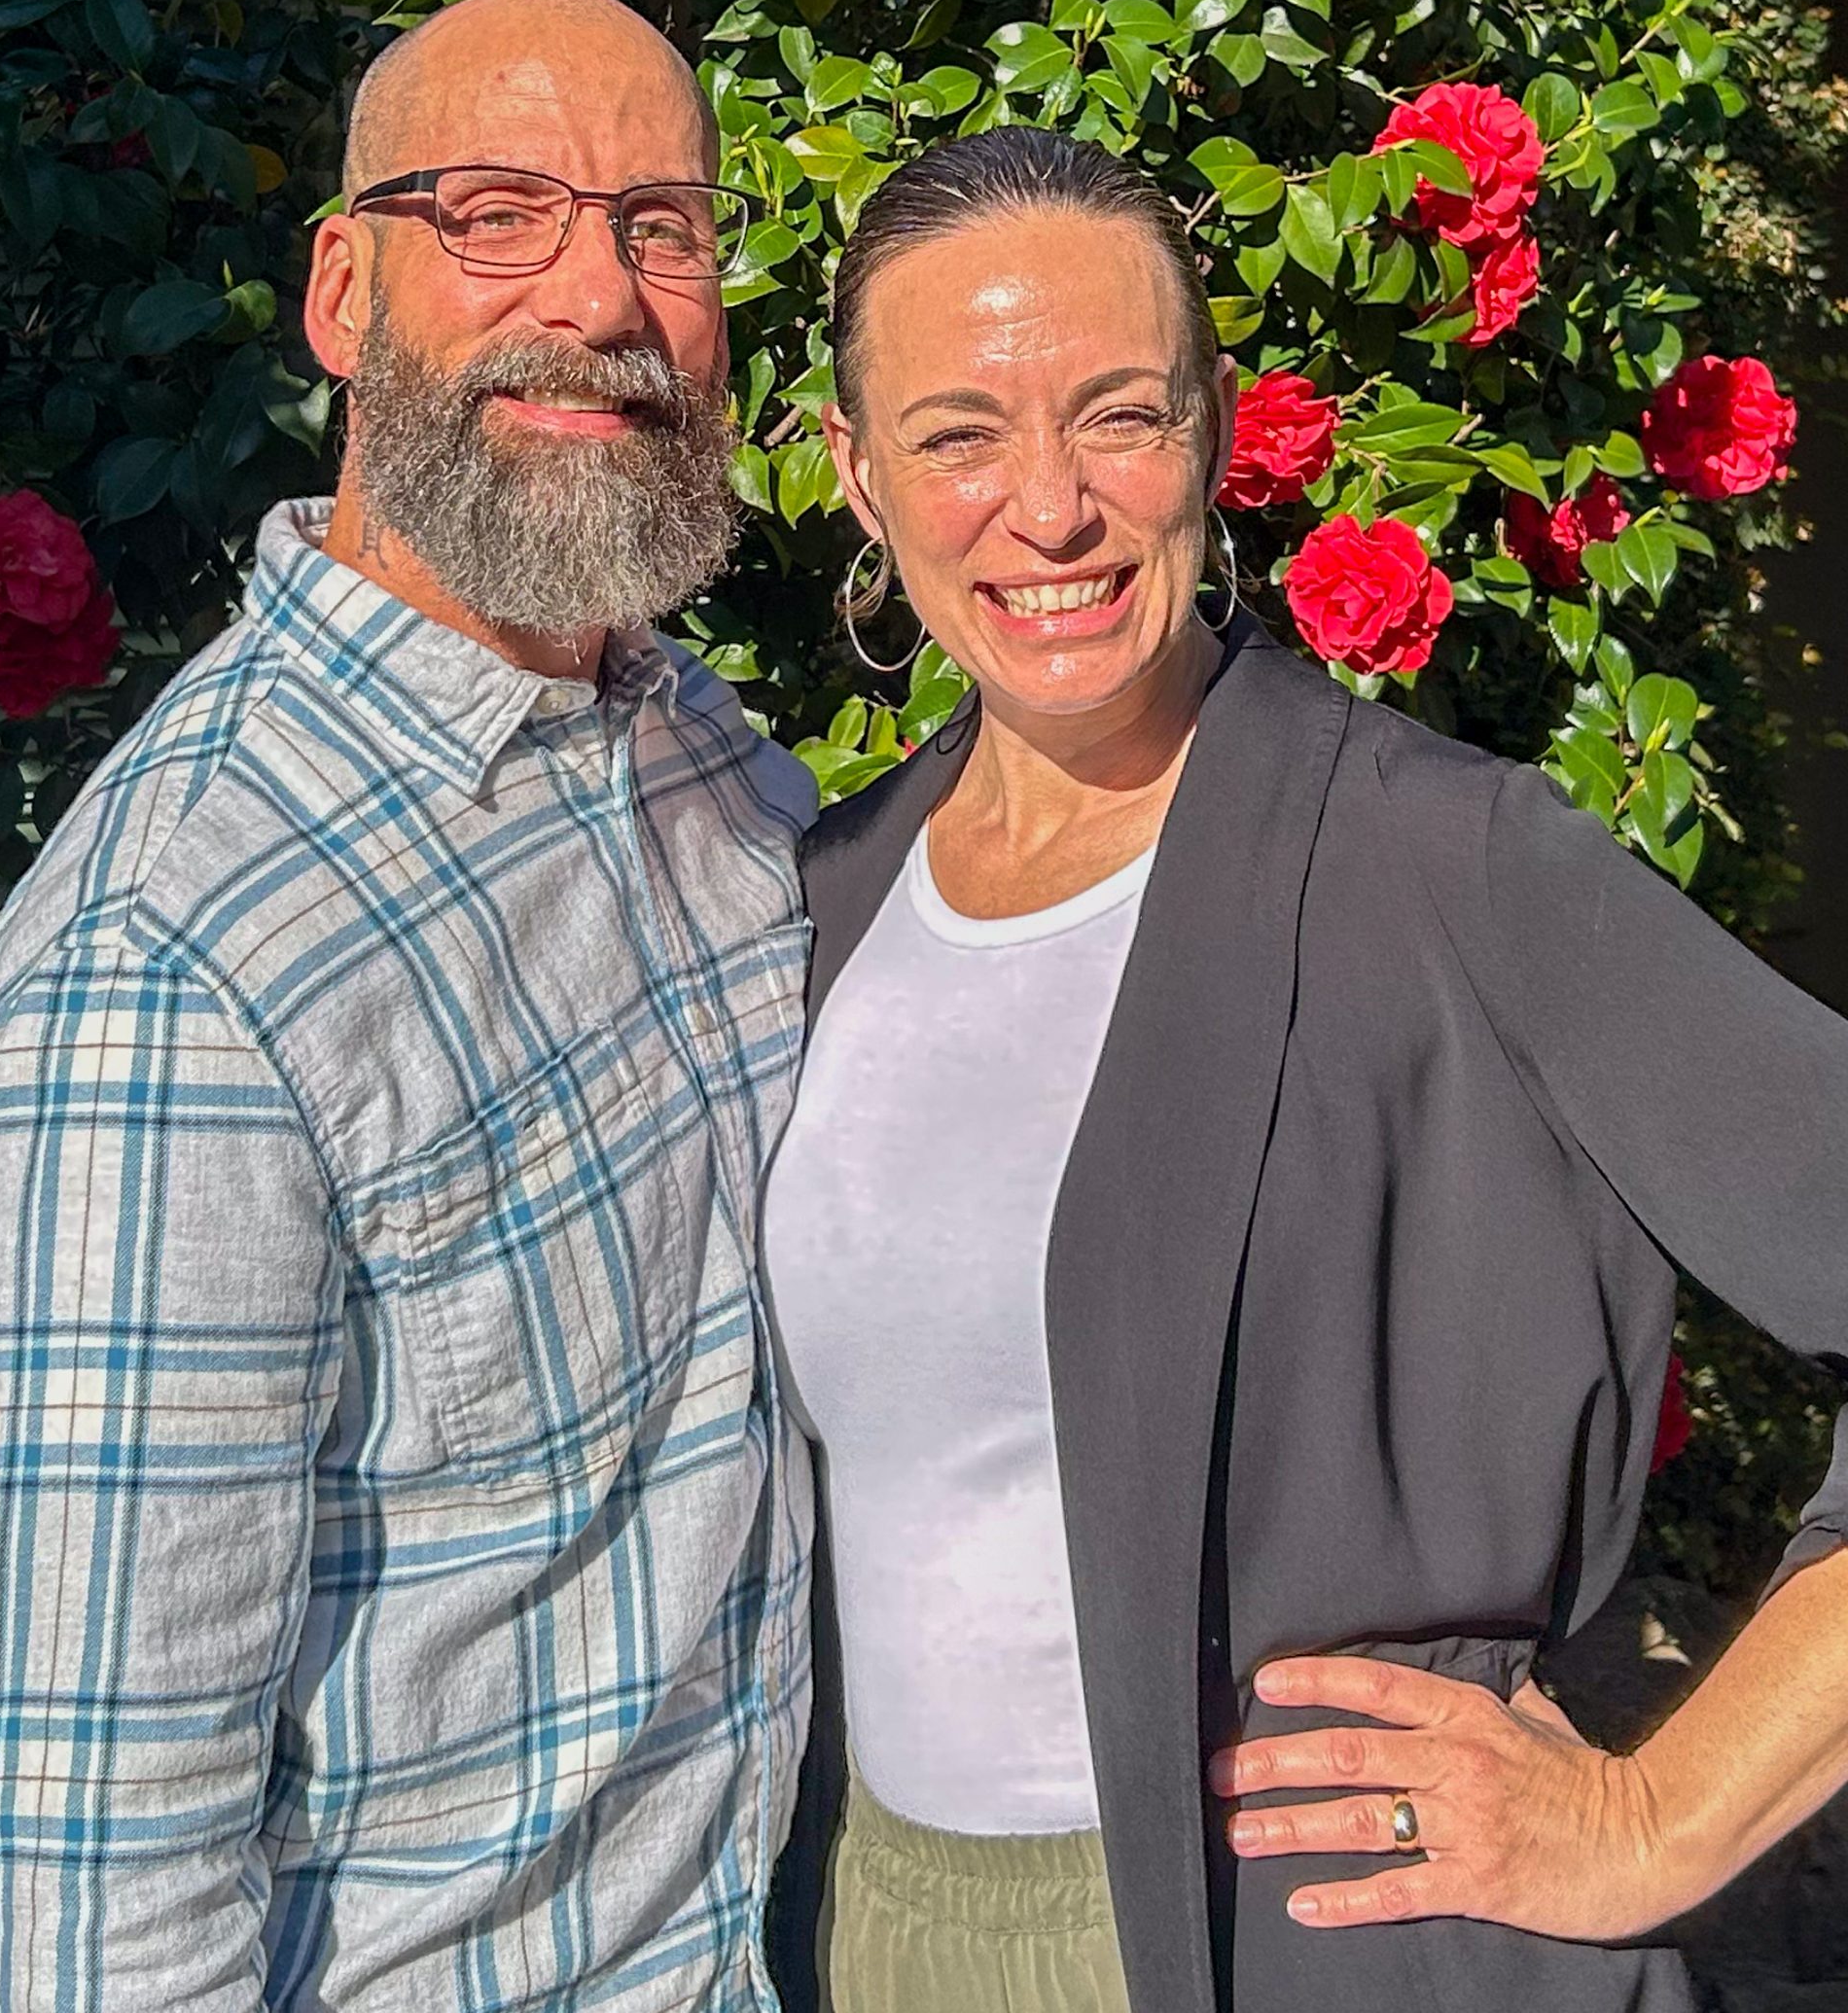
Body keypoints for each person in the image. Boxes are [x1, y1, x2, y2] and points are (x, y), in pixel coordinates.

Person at [761, 126, 1848, 2013]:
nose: (1049, 508)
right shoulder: (817, 905)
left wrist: (1660, 1813)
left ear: (1216, 426)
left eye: (1119, 414)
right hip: (869, 1936)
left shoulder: (1448, 864)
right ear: (857, 471)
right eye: (956, 435)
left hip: (1356, 1962)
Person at [0, 0, 817, 2011]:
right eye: (502, 210)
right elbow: (89, 1896)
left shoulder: (696, 749)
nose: (604, 294)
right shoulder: (173, 967)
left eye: (664, 225)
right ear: (343, 292)